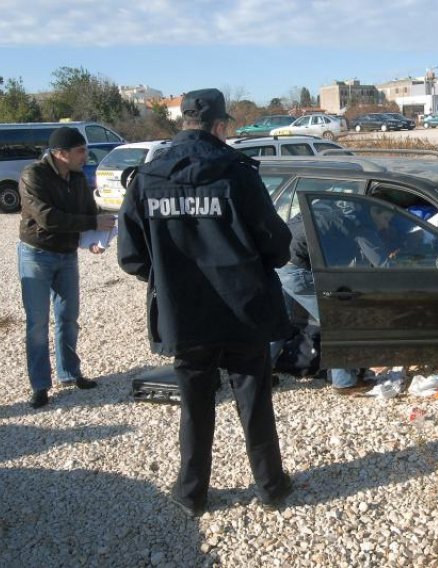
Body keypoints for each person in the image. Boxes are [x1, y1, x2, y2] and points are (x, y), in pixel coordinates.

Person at [117, 88, 294, 517]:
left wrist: (170, 278)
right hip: (242, 308)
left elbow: (131, 256)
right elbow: (277, 246)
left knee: (195, 405)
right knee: (253, 397)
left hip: (185, 313)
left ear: (183, 122)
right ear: (218, 125)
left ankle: (191, 492)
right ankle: (270, 486)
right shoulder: (237, 174)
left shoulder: (147, 176)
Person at [18, 126, 116, 409]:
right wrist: (91, 224)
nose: (86, 155)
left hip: (67, 255)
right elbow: (48, 218)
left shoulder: (76, 177)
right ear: (61, 154)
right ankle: (40, 385)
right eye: (80, 151)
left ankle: (70, 373)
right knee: (37, 324)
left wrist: (96, 240)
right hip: (36, 255)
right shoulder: (32, 176)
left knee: (68, 318)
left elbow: (88, 213)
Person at [270, 210, 375, 395]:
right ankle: (345, 381)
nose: (387, 224)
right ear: (375, 213)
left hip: (278, 259)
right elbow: (374, 262)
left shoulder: (325, 206)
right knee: (336, 322)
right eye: (386, 219)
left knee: (279, 322)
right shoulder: (358, 226)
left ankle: (260, 374)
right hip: (296, 269)